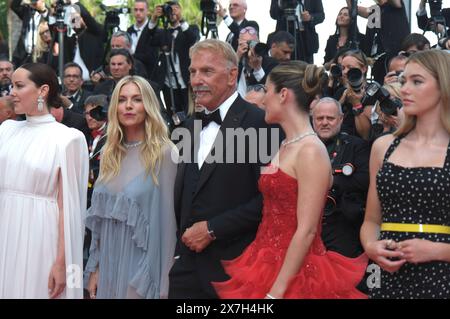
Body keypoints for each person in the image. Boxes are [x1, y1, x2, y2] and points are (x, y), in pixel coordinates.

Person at [213, 61, 367, 299]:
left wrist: (276, 293)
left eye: (267, 91)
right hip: (264, 262)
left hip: (296, 275)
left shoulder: (310, 151)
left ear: (283, 94)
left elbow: (306, 230)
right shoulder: (286, 144)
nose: (263, 100)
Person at [168, 39, 277, 298]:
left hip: (236, 267)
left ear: (232, 76)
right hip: (185, 271)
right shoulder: (187, 127)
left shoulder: (261, 124)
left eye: (207, 71)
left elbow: (272, 199)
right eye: (193, 72)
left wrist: (214, 228)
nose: (196, 80)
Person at [361, 50, 450, 298]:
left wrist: (436, 251)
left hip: (442, 278)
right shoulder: (383, 147)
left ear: (443, 86)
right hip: (386, 275)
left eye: (417, 81)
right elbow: (370, 221)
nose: (405, 89)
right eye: (404, 81)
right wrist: (371, 246)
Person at [0, 62, 88, 298]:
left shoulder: (68, 139)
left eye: (19, 86)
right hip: (5, 235)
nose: (12, 93)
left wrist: (63, 264)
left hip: (42, 239)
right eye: (11, 86)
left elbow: (69, 209)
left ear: (43, 91)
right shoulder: (6, 131)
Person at [85, 75, 177, 299]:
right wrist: (95, 268)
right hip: (107, 266)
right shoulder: (110, 153)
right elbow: (100, 220)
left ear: (148, 106)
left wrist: (161, 284)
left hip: (141, 269)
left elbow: (168, 226)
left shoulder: (165, 153)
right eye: (122, 99)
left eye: (136, 99)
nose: (128, 106)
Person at [311, 97, 369, 258]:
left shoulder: (357, 146)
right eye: (319, 118)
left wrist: (328, 181)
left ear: (341, 119)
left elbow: (364, 180)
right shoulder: (302, 146)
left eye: (330, 118)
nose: (324, 122)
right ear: (312, 120)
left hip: (343, 224)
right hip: (307, 222)